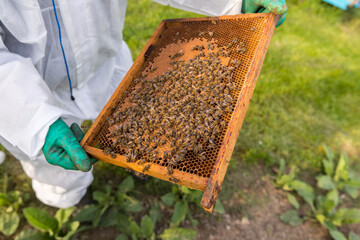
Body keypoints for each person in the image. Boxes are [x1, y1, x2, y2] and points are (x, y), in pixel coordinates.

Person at [0, 0, 287, 209]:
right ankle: (66, 204)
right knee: (60, 177)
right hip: (27, 90)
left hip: (107, 68)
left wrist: (232, 0)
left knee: (130, 124)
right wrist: (32, 119)